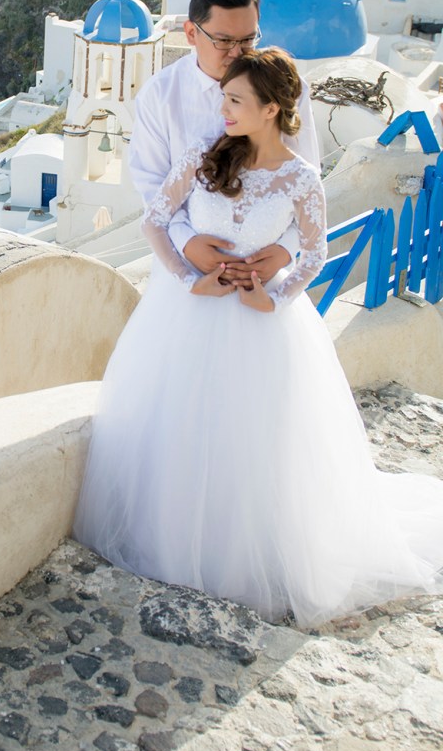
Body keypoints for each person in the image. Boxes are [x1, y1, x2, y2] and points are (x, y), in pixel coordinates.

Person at [74, 48, 443, 627]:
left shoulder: (301, 178)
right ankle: (174, 539)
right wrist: (188, 279)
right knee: (183, 422)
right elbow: (154, 220)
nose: (222, 108)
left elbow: (316, 253)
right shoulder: (203, 154)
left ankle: (247, 555)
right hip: (188, 315)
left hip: (261, 327)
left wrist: (275, 297)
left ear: (271, 108)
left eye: (235, 100)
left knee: (253, 437)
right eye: (224, 97)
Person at [128, 0, 319, 289]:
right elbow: (152, 183)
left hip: (263, 276)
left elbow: (306, 173)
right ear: (191, 33)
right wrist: (187, 242)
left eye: (248, 40)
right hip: (185, 267)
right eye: (225, 41)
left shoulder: (288, 89)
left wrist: (285, 251)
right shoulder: (159, 96)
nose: (237, 53)